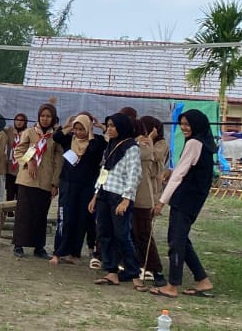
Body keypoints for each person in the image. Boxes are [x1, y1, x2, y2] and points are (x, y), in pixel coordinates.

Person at [150, 109, 218, 298]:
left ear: (197, 125)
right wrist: (172, 170)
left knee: (176, 241)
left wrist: (161, 202)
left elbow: (180, 175)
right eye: (182, 124)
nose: (184, 128)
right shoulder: (205, 144)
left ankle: (172, 285)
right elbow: (185, 169)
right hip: (195, 200)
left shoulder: (194, 143)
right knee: (182, 240)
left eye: (188, 124)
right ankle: (202, 280)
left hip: (185, 199)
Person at [89, 113, 143, 287]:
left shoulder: (131, 147)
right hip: (104, 193)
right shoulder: (111, 144)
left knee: (122, 235)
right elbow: (104, 171)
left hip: (120, 196)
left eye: (113, 126)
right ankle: (111, 271)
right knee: (105, 234)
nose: (110, 129)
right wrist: (96, 194)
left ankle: (134, 274)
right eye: (108, 125)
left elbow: (134, 174)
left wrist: (127, 199)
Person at [49, 113, 105, 265]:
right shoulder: (69, 140)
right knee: (65, 218)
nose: (79, 132)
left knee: (82, 219)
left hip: (86, 186)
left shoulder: (96, 141)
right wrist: (67, 126)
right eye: (77, 129)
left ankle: (74, 252)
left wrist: (94, 130)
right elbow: (56, 137)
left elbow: (94, 150)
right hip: (68, 184)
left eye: (82, 129)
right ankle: (58, 252)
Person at [12, 103, 59, 258]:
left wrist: (54, 183)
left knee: (40, 214)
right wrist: (28, 161)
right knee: (23, 213)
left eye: (48, 116)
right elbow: (18, 151)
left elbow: (59, 161)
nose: (45, 119)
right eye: (42, 116)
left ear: (53, 118)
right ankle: (18, 244)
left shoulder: (55, 137)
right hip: (27, 179)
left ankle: (39, 246)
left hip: (45, 181)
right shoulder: (30, 132)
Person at [132, 115, 168, 286]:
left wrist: (150, 139)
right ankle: (140, 264)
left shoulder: (161, 143)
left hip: (152, 190)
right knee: (135, 230)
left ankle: (154, 267)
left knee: (145, 231)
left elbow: (153, 156)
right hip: (138, 188)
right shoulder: (138, 141)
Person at [7, 113, 28, 201]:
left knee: (20, 190)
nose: (18, 122)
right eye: (17, 120)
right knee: (9, 190)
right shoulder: (10, 131)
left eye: (21, 120)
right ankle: (9, 211)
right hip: (10, 165)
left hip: (21, 164)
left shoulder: (28, 132)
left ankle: (19, 210)